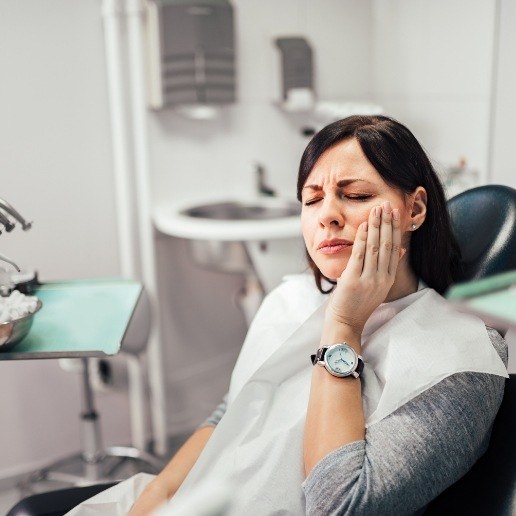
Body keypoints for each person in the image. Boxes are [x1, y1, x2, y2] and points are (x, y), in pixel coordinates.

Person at [124, 115, 507, 515]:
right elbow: (235, 410)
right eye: (311, 199)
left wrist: (344, 326)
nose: (328, 215)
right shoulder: (291, 299)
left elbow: (339, 506)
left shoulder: (462, 361)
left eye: (356, 195)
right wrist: (152, 499)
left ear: (414, 209)